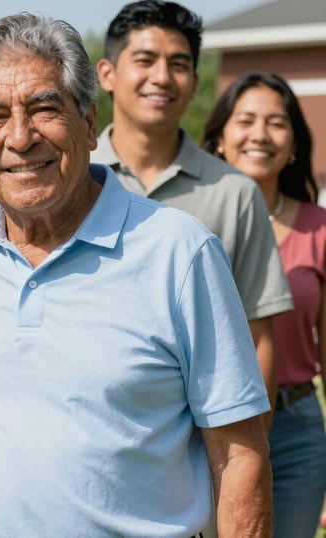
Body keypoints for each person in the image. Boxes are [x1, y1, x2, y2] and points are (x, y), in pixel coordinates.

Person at [0, 12, 272, 537]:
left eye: (44, 108)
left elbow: (240, 455)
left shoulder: (180, 252)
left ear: (87, 123)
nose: (20, 137)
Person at [92, 0, 293, 430]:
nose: (162, 77)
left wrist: (246, 460)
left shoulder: (236, 193)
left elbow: (258, 337)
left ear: (195, 82)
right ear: (106, 73)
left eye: (178, 64)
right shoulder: (74, 183)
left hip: (206, 441)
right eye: (145, 60)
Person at [202, 71, 326, 538]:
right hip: (207, 423)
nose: (260, 134)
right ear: (218, 139)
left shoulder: (320, 228)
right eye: (246, 120)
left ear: (293, 142)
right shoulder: (185, 223)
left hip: (296, 427)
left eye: (276, 123)